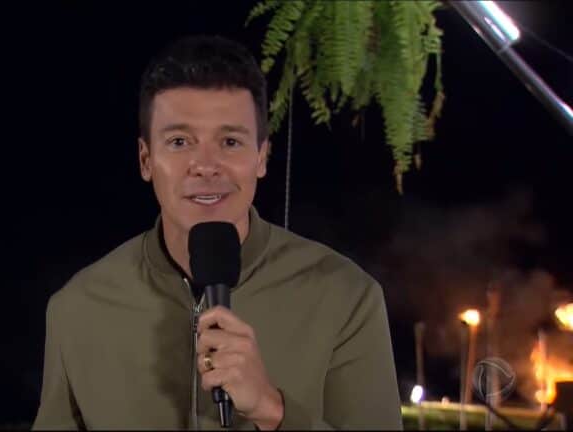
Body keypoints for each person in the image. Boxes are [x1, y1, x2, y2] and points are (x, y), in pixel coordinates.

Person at [32, 34, 402, 430]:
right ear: (146, 160)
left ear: (261, 157)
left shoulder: (346, 297)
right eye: (179, 142)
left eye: (230, 141)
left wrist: (272, 409)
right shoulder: (78, 309)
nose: (206, 166)